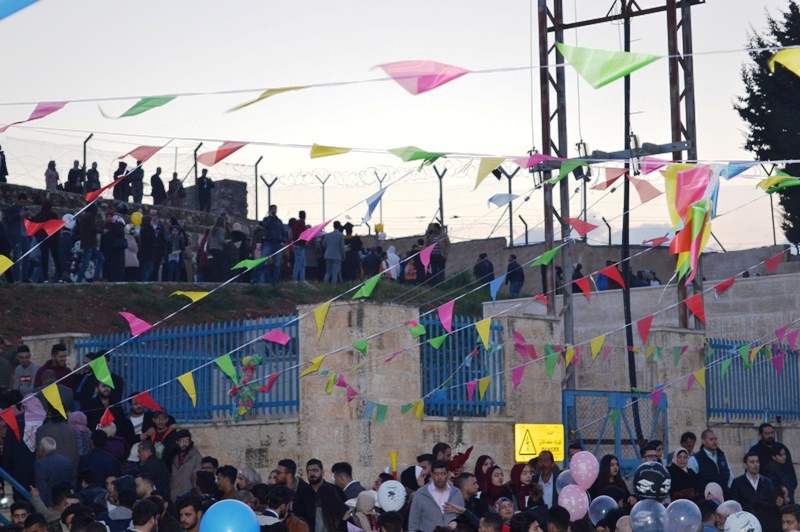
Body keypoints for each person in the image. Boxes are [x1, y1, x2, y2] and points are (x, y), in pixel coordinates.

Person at [408, 460, 464, 532]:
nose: (440, 477)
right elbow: (413, 522)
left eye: (443, 473)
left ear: (448, 474)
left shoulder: (456, 493)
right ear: (431, 475)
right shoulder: (421, 494)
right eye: (436, 474)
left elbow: (463, 517)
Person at [293, 459, 349, 531]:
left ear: (322, 472)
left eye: (315, 470)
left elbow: (344, 511)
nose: (312, 474)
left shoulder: (335, 490)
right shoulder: (301, 494)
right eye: (309, 471)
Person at [749, 422, 797, 501]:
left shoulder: (782, 448)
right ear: (761, 435)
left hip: (786, 493)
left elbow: (790, 470)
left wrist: (791, 487)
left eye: (771, 433)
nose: (770, 435)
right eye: (766, 433)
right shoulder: (755, 450)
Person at [689, 429, 732, 499]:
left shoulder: (722, 457)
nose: (714, 441)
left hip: (724, 497)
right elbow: (691, 481)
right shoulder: (695, 459)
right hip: (705, 500)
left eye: (715, 439)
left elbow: (730, 477)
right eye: (711, 439)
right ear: (703, 441)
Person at [34, 437, 73, 506]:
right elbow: (72, 482)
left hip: (50, 504)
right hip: (66, 502)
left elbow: (41, 488)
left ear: (42, 449)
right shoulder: (66, 461)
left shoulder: (40, 464)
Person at [171, 429, 202, 500]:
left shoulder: (196, 457)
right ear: (177, 442)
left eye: (187, 441)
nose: (184, 444)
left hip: (189, 496)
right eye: (181, 441)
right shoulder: (172, 456)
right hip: (174, 496)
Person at [77, 204, 105, 282]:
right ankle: (79, 279)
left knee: (100, 258)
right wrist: (101, 231)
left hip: (86, 242)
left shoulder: (84, 216)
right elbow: (92, 228)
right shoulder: (91, 216)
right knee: (86, 262)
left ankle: (95, 277)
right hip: (89, 242)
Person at [260, 205, 286, 285]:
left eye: (275, 209)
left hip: (277, 244)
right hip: (268, 242)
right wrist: (270, 217)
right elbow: (265, 225)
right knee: (262, 261)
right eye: (272, 209)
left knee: (277, 264)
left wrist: (283, 240)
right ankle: (260, 280)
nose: (274, 210)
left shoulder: (279, 221)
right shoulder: (266, 219)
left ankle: (275, 281)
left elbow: (283, 231)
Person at [207, 216, 230, 282]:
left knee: (213, 266)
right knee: (218, 265)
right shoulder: (221, 230)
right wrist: (228, 241)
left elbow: (208, 241)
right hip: (218, 249)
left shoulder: (212, 229)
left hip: (211, 249)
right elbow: (221, 240)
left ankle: (212, 280)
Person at [290, 211, 307, 282]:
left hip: (296, 244)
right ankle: (295, 279)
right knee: (299, 263)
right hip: (299, 245)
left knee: (302, 263)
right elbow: (302, 235)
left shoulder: (295, 224)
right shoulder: (301, 224)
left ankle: (301, 279)